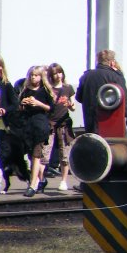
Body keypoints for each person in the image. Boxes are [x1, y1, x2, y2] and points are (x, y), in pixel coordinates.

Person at [76, 49, 127, 135]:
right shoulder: (115, 77)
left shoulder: (86, 76)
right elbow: (125, 101)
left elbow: (78, 97)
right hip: (110, 124)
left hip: (90, 124)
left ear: (98, 61)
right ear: (112, 62)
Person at [19, 65, 54, 197]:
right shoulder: (26, 90)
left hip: (40, 126)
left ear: (41, 77)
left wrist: (38, 103)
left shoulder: (44, 90)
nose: (33, 77)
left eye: (36, 75)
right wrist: (23, 103)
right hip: (28, 126)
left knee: (36, 155)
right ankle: (40, 179)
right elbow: (20, 109)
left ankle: (32, 185)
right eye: (32, 75)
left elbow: (51, 108)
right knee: (30, 156)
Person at [47, 63, 76, 191]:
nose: (58, 75)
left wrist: (69, 105)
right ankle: (40, 180)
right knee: (44, 154)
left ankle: (64, 181)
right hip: (50, 124)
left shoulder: (68, 88)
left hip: (64, 124)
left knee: (64, 154)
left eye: (60, 72)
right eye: (55, 73)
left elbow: (73, 107)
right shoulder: (48, 89)